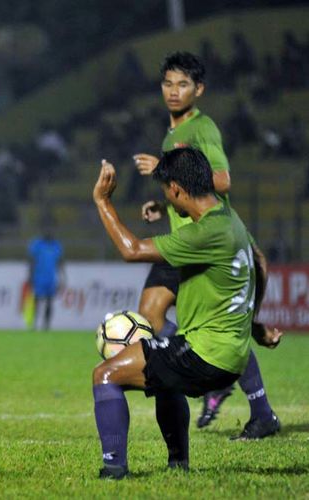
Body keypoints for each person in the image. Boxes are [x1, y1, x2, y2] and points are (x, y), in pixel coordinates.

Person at [92, 148, 282, 479]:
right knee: (165, 377)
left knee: (105, 375)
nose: (167, 199)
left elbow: (131, 249)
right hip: (230, 354)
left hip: (206, 355)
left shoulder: (203, 233)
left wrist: (103, 202)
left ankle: (114, 469)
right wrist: (254, 324)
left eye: (167, 191)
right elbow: (260, 262)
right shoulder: (229, 218)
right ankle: (178, 466)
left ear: (177, 190)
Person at [132, 52, 280, 437]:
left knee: (213, 326)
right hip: (184, 240)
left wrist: (162, 170)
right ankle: (214, 372)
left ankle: (249, 401)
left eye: (183, 84)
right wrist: (164, 203)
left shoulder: (202, 129)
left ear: (199, 89)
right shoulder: (172, 133)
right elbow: (189, 190)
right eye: (168, 83)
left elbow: (223, 181)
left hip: (205, 244)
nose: (174, 91)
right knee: (150, 314)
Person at [27, 228, 65, 331]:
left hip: (51, 278)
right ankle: (34, 324)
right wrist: (30, 276)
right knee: (37, 300)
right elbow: (31, 261)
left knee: (49, 301)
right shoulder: (37, 244)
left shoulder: (56, 245)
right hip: (39, 277)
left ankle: (46, 325)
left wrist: (63, 278)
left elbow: (60, 262)